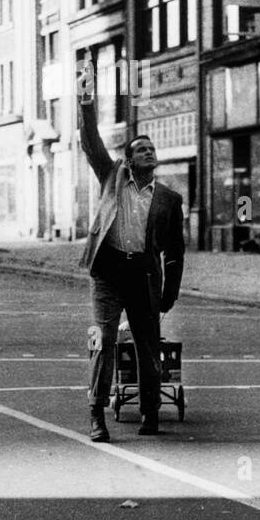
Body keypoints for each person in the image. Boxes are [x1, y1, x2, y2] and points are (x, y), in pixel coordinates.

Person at [78, 65, 184, 440]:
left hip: (143, 276)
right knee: (104, 342)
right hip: (108, 273)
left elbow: (175, 252)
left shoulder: (170, 200)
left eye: (152, 149)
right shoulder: (112, 178)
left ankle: (150, 414)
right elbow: (90, 141)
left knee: (148, 346)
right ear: (127, 159)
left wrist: (169, 292)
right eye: (141, 150)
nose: (149, 152)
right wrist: (86, 101)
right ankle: (96, 415)